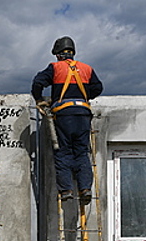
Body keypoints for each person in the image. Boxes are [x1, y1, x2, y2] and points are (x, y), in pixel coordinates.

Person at [31, 36, 103, 204]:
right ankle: (85, 188)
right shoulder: (86, 68)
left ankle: (66, 190)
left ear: (57, 54)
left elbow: (37, 82)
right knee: (81, 151)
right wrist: (83, 96)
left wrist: (39, 99)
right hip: (83, 114)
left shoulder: (55, 67)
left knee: (63, 151)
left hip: (63, 115)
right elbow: (98, 87)